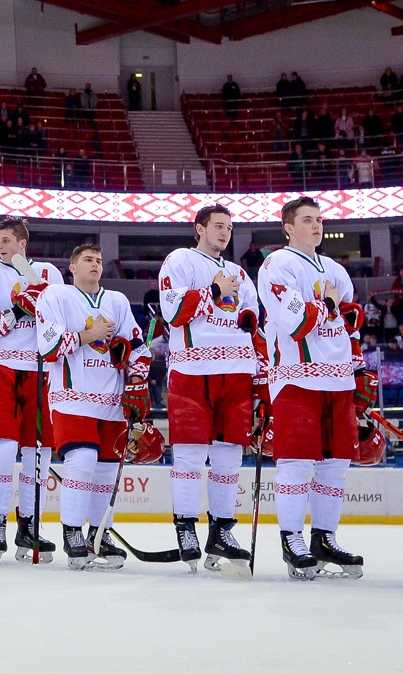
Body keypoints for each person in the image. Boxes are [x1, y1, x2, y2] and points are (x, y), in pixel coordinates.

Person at [257, 196, 366, 579]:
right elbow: (295, 321)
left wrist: (359, 371)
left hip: (338, 380)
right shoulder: (276, 265)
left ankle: (324, 537)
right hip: (296, 376)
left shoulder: (336, 269)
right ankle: (292, 540)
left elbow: (348, 327)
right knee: (296, 463)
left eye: (319, 219)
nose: (317, 225)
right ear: (288, 227)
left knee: (336, 465)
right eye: (307, 220)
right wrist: (330, 305)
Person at [157, 204, 259, 572]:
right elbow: (172, 310)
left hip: (236, 372)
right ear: (199, 228)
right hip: (192, 369)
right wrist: (212, 290)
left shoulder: (239, 273)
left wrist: (259, 376)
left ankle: (222, 530)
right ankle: (185, 527)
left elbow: (253, 323)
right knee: (189, 455)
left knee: (229, 456)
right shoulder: (180, 260)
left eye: (229, 227)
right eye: (218, 226)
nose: (224, 233)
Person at [35, 242, 146, 570]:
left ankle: (99, 533)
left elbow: (137, 346)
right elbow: (49, 347)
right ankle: (72, 532)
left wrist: (136, 378)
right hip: (72, 396)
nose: (95, 264)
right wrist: (90, 334)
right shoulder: (55, 296)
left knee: (107, 472)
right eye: (87, 259)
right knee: (82, 460)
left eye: (98, 260)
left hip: (112, 402)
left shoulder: (117, 301)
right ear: (72, 266)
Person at [0, 218, 65, 560]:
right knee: (2, 447)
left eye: (7, 240)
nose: (1, 246)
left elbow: (59, 322)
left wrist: (39, 306)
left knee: (37, 452)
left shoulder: (50, 273)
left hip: (40, 369)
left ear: (23, 243)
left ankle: (30, 524)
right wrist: (17, 307)